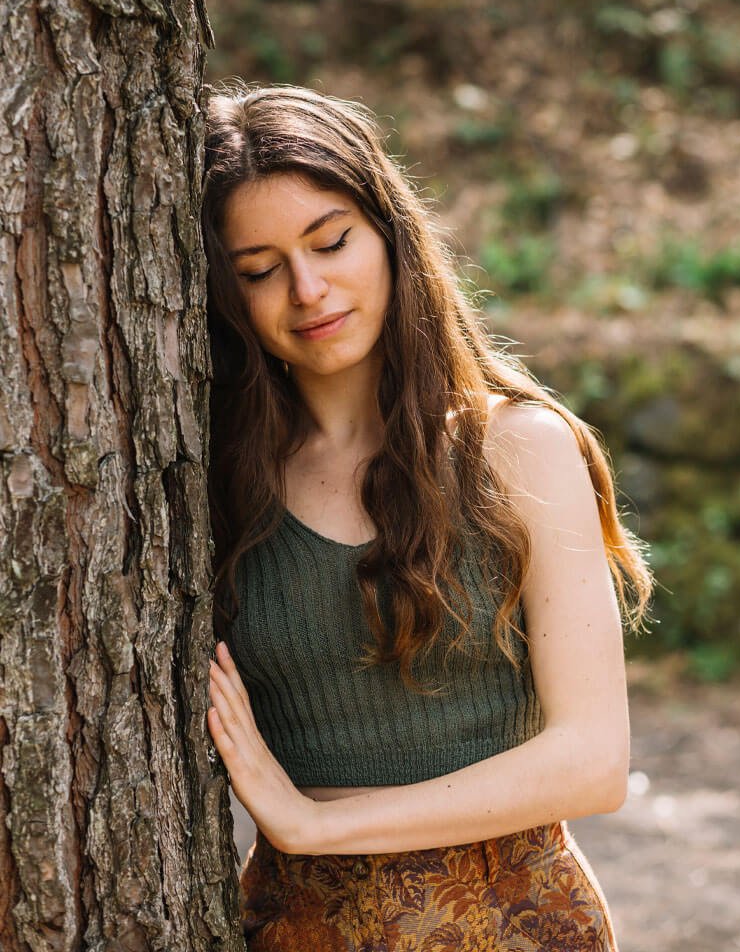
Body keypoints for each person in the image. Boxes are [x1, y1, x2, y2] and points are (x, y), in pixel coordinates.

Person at [202, 80, 654, 952]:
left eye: (331, 243)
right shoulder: (216, 484)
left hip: (514, 925)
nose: (308, 290)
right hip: (298, 931)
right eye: (259, 270)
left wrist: (314, 825)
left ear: (389, 233)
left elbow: (594, 762)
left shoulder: (517, 448)